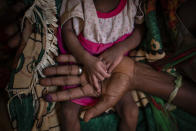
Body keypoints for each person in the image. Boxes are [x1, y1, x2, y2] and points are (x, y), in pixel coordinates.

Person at [56, 0, 145, 130]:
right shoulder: (78, 3)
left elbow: (140, 30)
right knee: (68, 113)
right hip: (82, 66)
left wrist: (120, 49)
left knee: (131, 112)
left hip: (115, 71)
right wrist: (86, 59)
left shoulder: (132, 4)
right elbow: (67, 30)